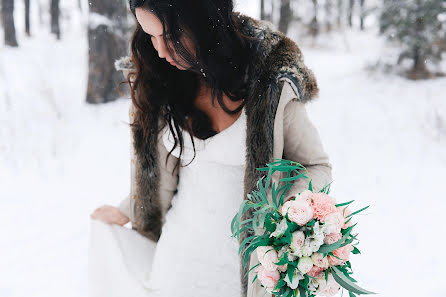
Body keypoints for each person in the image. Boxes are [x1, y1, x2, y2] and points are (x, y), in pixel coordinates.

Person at [89, 1, 333, 297]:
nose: (160, 52)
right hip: (177, 266)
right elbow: (163, 174)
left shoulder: (270, 86)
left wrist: (291, 212)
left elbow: (315, 166)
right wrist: (128, 209)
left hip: (246, 273)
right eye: (150, 36)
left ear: (201, 21)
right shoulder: (162, 80)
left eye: (168, 37)